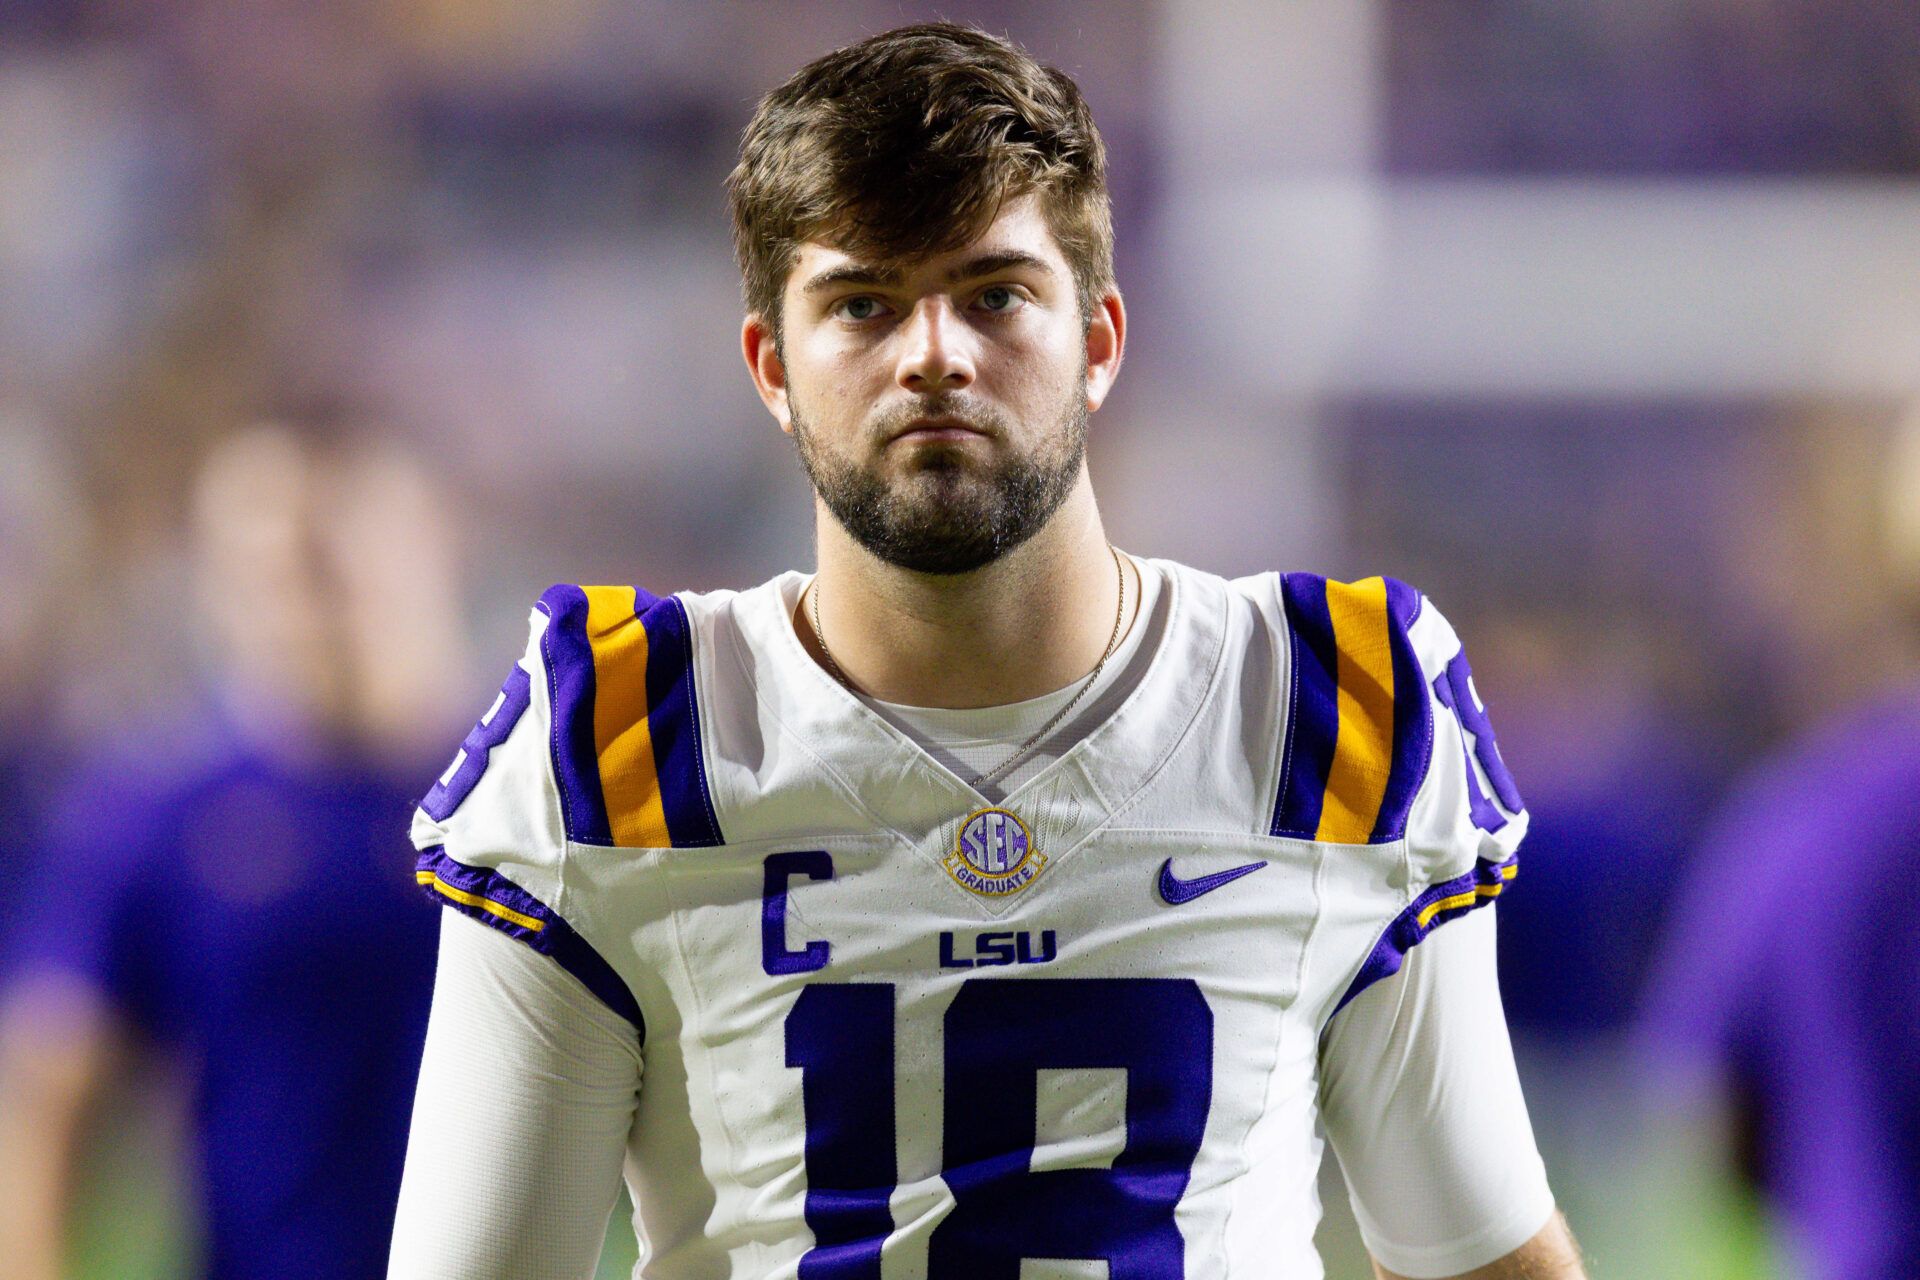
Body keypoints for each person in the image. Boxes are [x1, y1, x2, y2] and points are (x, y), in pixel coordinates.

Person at [387, 23, 1586, 1280]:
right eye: (862, 303)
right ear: (771, 367)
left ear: (1102, 340)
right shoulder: (621, 739)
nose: (934, 354)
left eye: (995, 292)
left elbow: (1475, 1254)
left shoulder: (1319, 705)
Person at [0, 424, 467, 1280]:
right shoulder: (158, 816)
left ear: (428, 547)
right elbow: (46, 1092)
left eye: (331, 561)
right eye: (274, 568)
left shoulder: (539, 801)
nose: (306, 600)